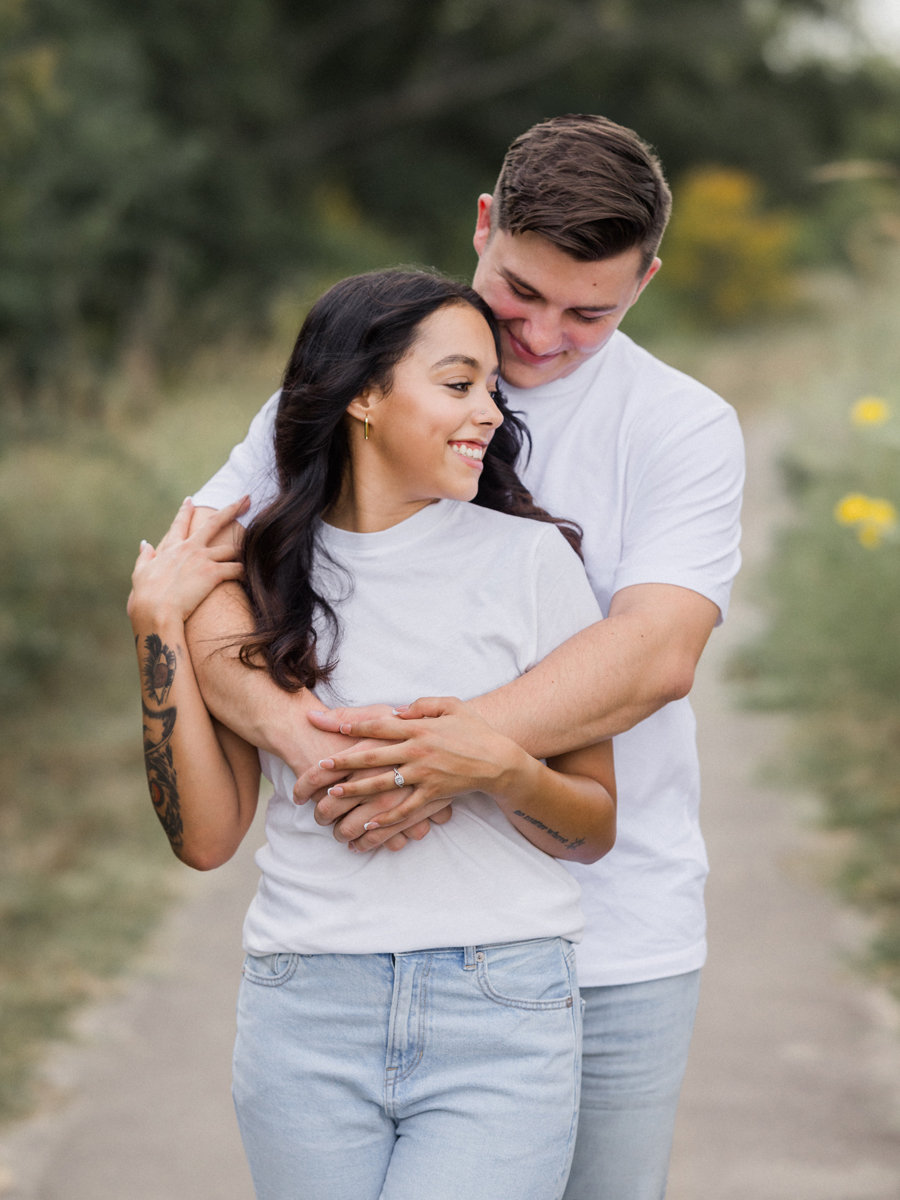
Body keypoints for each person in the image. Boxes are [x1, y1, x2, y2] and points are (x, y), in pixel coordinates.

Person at [187, 114, 745, 1200]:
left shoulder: (681, 424)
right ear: (483, 227)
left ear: (647, 280)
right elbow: (191, 577)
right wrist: (302, 737)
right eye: (520, 293)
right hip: (363, 952)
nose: (540, 337)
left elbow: (655, 653)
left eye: (592, 312)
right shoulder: (356, 374)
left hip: (618, 937)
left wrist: (445, 757)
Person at [130, 270, 617, 1200]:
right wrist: (156, 628)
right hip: (304, 1010)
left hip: (501, 1008)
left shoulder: (530, 560)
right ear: (361, 393)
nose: (490, 414)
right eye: (458, 383)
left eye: (492, 390)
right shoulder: (263, 575)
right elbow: (205, 838)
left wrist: (498, 768)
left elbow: (593, 828)